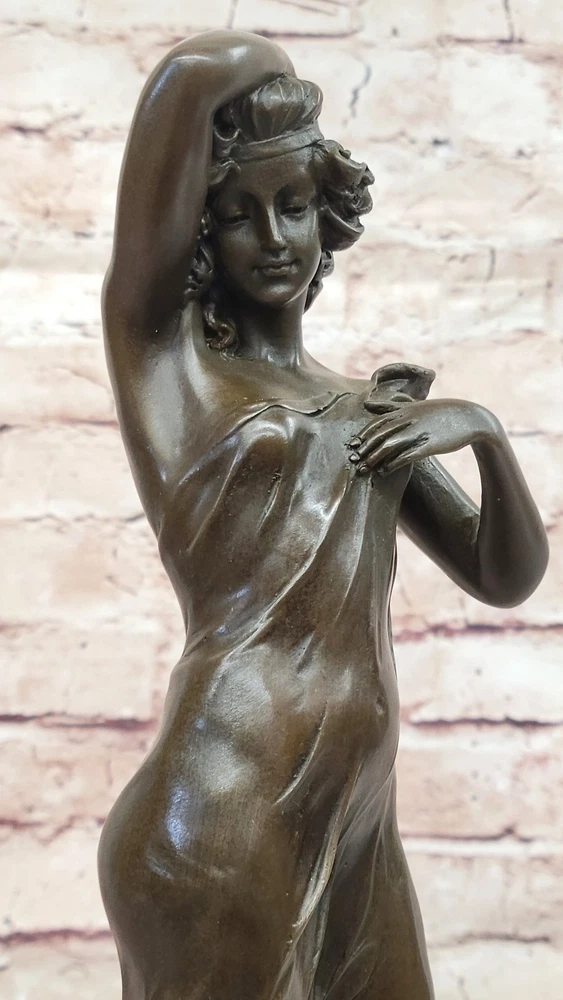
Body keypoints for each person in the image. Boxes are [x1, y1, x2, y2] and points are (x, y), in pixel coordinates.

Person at [97, 30, 549, 1000]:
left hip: (354, 822)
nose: (271, 237)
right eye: (237, 215)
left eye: (293, 206)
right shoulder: (174, 373)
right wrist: (273, 69)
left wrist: (482, 434)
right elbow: (190, 79)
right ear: (200, 238)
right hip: (222, 819)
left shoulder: (366, 411)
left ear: (327, 217)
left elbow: (504, 576)